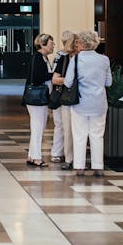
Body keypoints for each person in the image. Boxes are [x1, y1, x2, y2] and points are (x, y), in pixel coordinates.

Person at [64, 30, 112, 177]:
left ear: (81, 43)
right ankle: (98, 166)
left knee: (79, 135)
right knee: (97, 135)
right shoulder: (104, 60)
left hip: (80, 103)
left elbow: (67, 82)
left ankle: (79, 166)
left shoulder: (76, 59)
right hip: (99, 103)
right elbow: (108, 82)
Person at [25, 33, 54, 167]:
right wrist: (53, 75)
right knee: (38, 127)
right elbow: (37, 77)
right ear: (42, 44)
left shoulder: (43, 58)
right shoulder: (38, 58)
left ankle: (31, 156)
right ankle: (37, 157)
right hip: (37, 98)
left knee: (38, 127)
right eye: (50, 43)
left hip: (39, 98)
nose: (53, 45)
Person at [51, 30, 77, 170]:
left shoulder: (82, 59)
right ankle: (66, 156)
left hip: (79, 99)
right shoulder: (63, 58)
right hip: (65, 97)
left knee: (73, 128)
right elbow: (55, 79)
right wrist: (69, 81)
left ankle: (73, 156)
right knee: (63, 126)